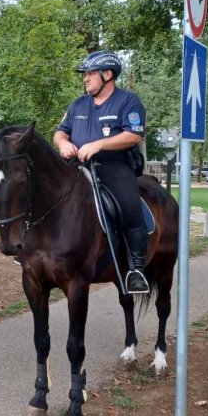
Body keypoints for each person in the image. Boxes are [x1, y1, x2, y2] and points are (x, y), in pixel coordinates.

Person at [52, 50, 149, 294]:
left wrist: (98, 144)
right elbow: (60, 131)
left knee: (130, 205)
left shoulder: (128, 101)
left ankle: (136, 269)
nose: (85, 79)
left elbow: (134, 134)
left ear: (108, 75)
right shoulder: (78, 104)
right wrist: (63, 144)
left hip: (113, 167)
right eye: (85, 74)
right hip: (76, 167)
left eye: (91, 74)